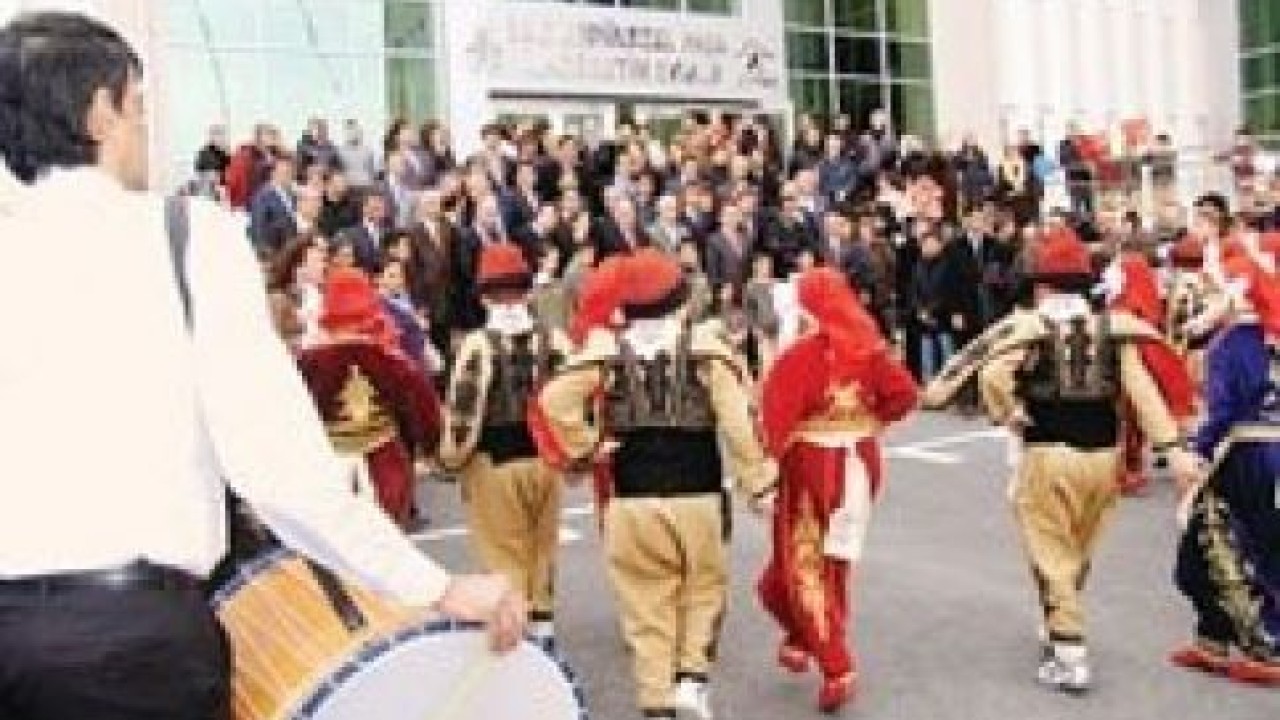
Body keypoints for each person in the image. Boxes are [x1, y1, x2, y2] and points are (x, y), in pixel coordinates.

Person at [0, 13, 524, 720]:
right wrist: (434, 586)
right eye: (140, 108)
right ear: (100, 112)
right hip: (132, 650)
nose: (146, 130)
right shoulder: (186, 237)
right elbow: (277, 465)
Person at [923, 227, 1200, 694]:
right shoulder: (1113, 328)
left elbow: (989, 374)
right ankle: (1057, 617)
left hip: (1047, 453)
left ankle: (1070, 653)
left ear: (1042, 286)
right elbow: (1143, 391)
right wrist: (1173, 449)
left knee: (1049, 550)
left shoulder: (1028, 326)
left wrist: (1009, 414)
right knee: (1077, 549)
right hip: (1104, 459)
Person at [536, 249, 776, 720]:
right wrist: (759, 485)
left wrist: (587, 446)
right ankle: (692, 677)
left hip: (631, 498)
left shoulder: (605, 353)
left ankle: (656, 700)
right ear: (679, 302)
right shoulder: (709, 351)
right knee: (703, 587)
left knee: (645, 602)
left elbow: (553, 399)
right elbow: (739, 425)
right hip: (699, 493)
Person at [757, 267, 918, 713]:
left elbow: (773, 420)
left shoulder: (800, 355)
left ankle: (835, 664)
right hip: (861, 462)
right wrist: (872, 421)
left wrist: (764, 475)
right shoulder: (869, 347)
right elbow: (905, 394)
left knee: (803, 568)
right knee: (832, 561)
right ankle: (802, 636)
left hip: (813, 466)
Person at [438, 245, 571, 647]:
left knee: (503, 552)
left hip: (495, 463)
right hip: (546, 461)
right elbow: (573, 401)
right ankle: (544, 624)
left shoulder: (479, 345)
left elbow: (464, 415)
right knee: (543, 546)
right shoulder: (554, 340)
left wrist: (451, 460)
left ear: (484, 297)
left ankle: (520, 633)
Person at [1169, 251, 1280, 686]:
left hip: (1246, 454)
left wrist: (1197, 450)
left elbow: (1223, 410)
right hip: (1269, 452)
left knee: (1221, 542)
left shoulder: (1231, 344)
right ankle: (1213, 635)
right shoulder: (1267, 337)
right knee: (1261, 543)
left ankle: (1268, 644)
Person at [295, 268, 442, 527]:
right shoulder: (389, 359)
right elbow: (423, 408)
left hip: (332, 462)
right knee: (387, 537)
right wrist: (430, 447)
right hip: (385, 459)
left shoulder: (308, 362)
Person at [248, 153, 298, 257]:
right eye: (284, 172)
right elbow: (257, 230)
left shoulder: (292, 194)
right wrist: (268, 254)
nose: (288, 176)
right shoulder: (262, 196)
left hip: (292, 249)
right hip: (275, 253)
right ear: (273, 173)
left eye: (290, 172)